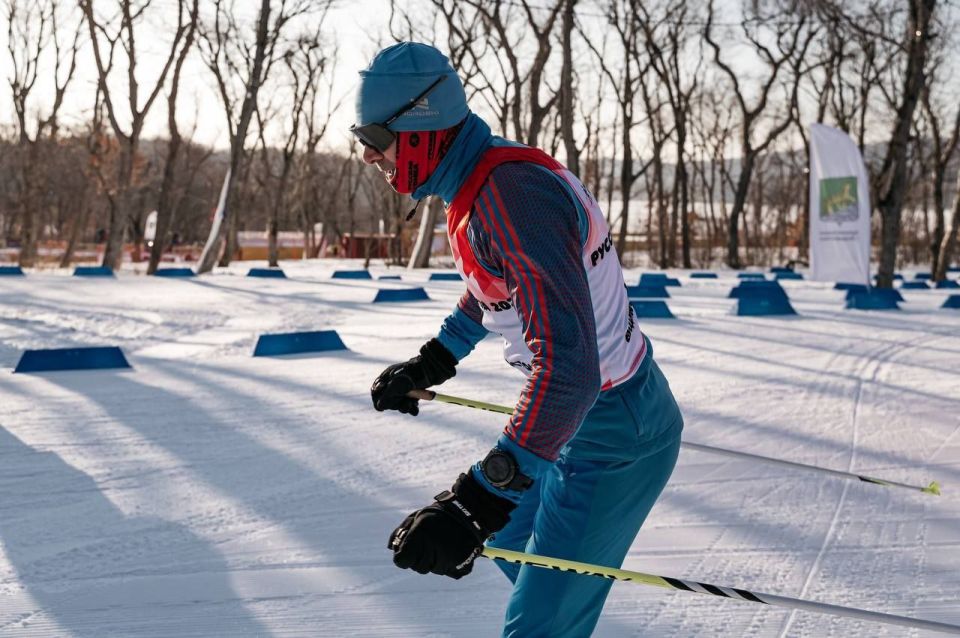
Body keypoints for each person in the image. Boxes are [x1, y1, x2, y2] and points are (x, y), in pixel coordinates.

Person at [355, 42, 684, 637]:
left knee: (537, 626)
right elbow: (494, 287)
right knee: (509, 538)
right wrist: (435, 359)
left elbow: (570, 370)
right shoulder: (483, 182)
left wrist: (478, 499)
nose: (367, 154)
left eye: (375, 136)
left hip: (613, 432)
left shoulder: (512, 199)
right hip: (576, 420)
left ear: (421, 123)